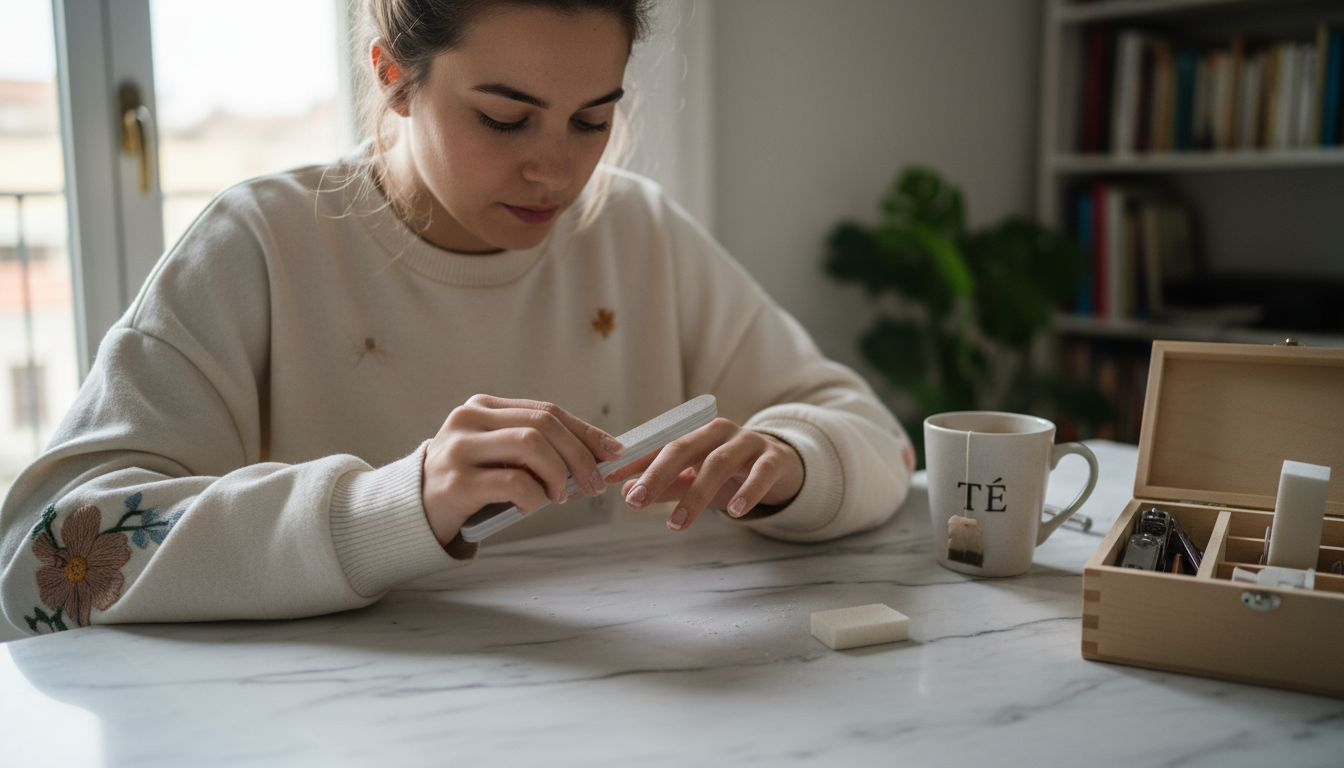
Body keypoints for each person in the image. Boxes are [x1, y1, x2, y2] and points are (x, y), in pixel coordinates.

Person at [0, 0, 913, 636]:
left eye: (592, 120)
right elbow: (43, 566)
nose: (556, 172)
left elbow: (875, 440)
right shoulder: (262, 244)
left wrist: (791, 462)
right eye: (506, 120)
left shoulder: (635, 230)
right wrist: (399, 504)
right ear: (393, 76)